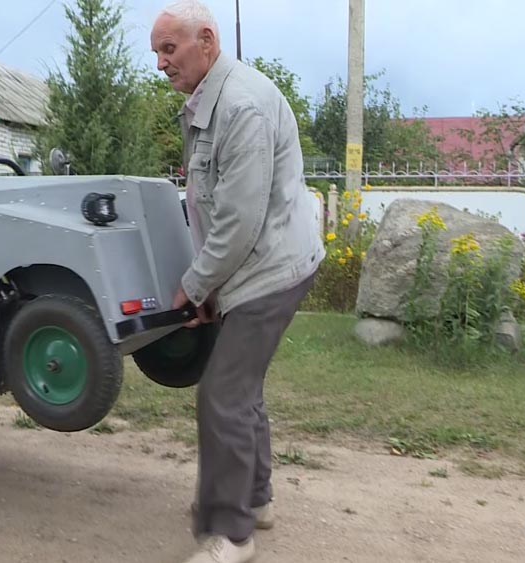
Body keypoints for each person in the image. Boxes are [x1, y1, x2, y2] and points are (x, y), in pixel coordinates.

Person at [150, 2, 326, 562]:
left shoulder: (241, 106)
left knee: (222, 393)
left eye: (169, 49)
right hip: (255, 264)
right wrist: (211, 286)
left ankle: (231, 534)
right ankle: (256, 497)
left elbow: (240, 221)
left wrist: (196, 285)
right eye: (156, 52)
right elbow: (215, 206)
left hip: (271, 268)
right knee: (241, 386)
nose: (160, 64)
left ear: (206, 39)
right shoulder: (210, 100)